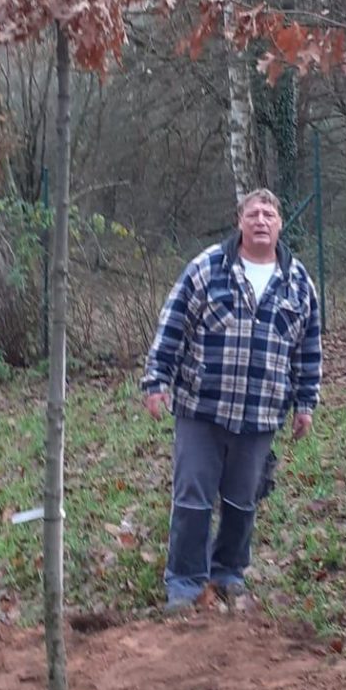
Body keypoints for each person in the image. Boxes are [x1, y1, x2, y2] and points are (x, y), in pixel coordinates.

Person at [141, 187, 322, 611]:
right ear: (239, 221)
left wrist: (306, 404)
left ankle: (228, 574)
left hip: (261, 415)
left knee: (242, 503)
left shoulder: (298, 282)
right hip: (202, 410)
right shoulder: (207, 268)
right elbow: (172, 326)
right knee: (192, 499)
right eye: (253, 213)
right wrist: (156, 381)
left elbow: (309, 349)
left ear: (280, 225)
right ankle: (185, 585)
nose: (261, 220)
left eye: (269, 214)